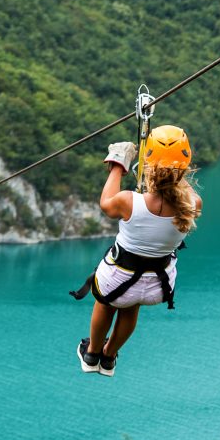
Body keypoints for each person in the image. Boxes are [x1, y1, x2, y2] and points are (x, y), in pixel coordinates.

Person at [70, 125, 202, 377]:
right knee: (131, 306)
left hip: (117, 278)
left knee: (105, 302)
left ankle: (92, 353)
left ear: (148, 165)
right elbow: (177, 191)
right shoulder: (193, 203)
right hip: (156, 285)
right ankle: (108, 358)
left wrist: (118, 165)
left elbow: (106, 204)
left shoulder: (130, 201)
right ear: (185, 166)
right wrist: (166, 171)